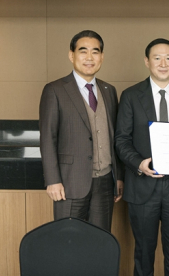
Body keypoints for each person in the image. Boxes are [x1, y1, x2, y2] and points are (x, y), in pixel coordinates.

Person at [115, 38, 169, 276]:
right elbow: (121, 140)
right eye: (157, 58)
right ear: (146, 61)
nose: (163, 63)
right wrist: (139, 164)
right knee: (143, 254)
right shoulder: (130, 95)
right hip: (143, 185)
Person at [39, 30, 124, 231]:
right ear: (71, 55)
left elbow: (114, 137)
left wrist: (118, 176)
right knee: (68, 243)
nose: (89, 57)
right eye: (83, 51)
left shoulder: (109, 91)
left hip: (104, 183)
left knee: (101, 241)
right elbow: (47, 138)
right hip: (69, 183)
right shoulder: (55, 90)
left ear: (101, 57)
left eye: (95, 52)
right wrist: (53, 181)